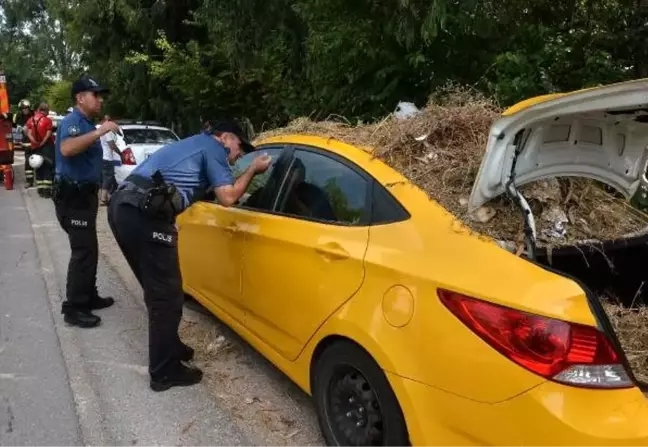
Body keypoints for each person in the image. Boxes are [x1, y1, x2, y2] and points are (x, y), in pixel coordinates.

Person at [107, 120, 271, 391]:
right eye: (240, 147)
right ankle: (163, 372)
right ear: (226, 137)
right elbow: (228, 197)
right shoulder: (214, 149)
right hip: (144, 214)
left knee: (158, 290)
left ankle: (170, 347)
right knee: (167, 296)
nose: (239, 155)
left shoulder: (194, 144)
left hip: (124, 206)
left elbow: (201, 189)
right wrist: (253, 169)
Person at [53, 75, 121, 328]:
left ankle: (88, 296)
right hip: (74, 197)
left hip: (85, 196)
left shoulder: (85, 122)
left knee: (90, 249)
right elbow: (67, 149)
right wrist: (101, 130)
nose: (100, 100)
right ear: (80, 98)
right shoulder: (73, 122)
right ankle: (74, 308)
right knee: (82, 251)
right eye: (95, 95)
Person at [25, 102, 56, 198]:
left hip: (35, 147)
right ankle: (47, 191)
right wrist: (43, 142)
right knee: (47, 167)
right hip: (46, 147)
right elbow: (48, 133)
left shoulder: (30, 120)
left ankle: (40, 190)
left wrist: (34, 141)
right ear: (46, 110)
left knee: (38, 167)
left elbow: (28, 132)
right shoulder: (47, 120)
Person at [99, 114, 122, 205]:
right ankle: (103, 199)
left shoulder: (104, 130)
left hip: (105, 157)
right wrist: (120, 153)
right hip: (107, 157)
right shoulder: (107, 132)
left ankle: (108, 195)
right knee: (107, 177)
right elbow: (111, 145)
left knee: (108, 177)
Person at [13, 99, 35, 187]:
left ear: (29, 108)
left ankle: (42, 180)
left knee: (41, 161)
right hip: (26, 141)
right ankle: (29, 181)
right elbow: (13, 124)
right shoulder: (18, 116)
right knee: (28, 162)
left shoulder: (34, 114)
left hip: (37, 140)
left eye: (26, 108)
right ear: (20, 109)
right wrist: (17, 128)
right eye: (23, 108)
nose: (25, 109)